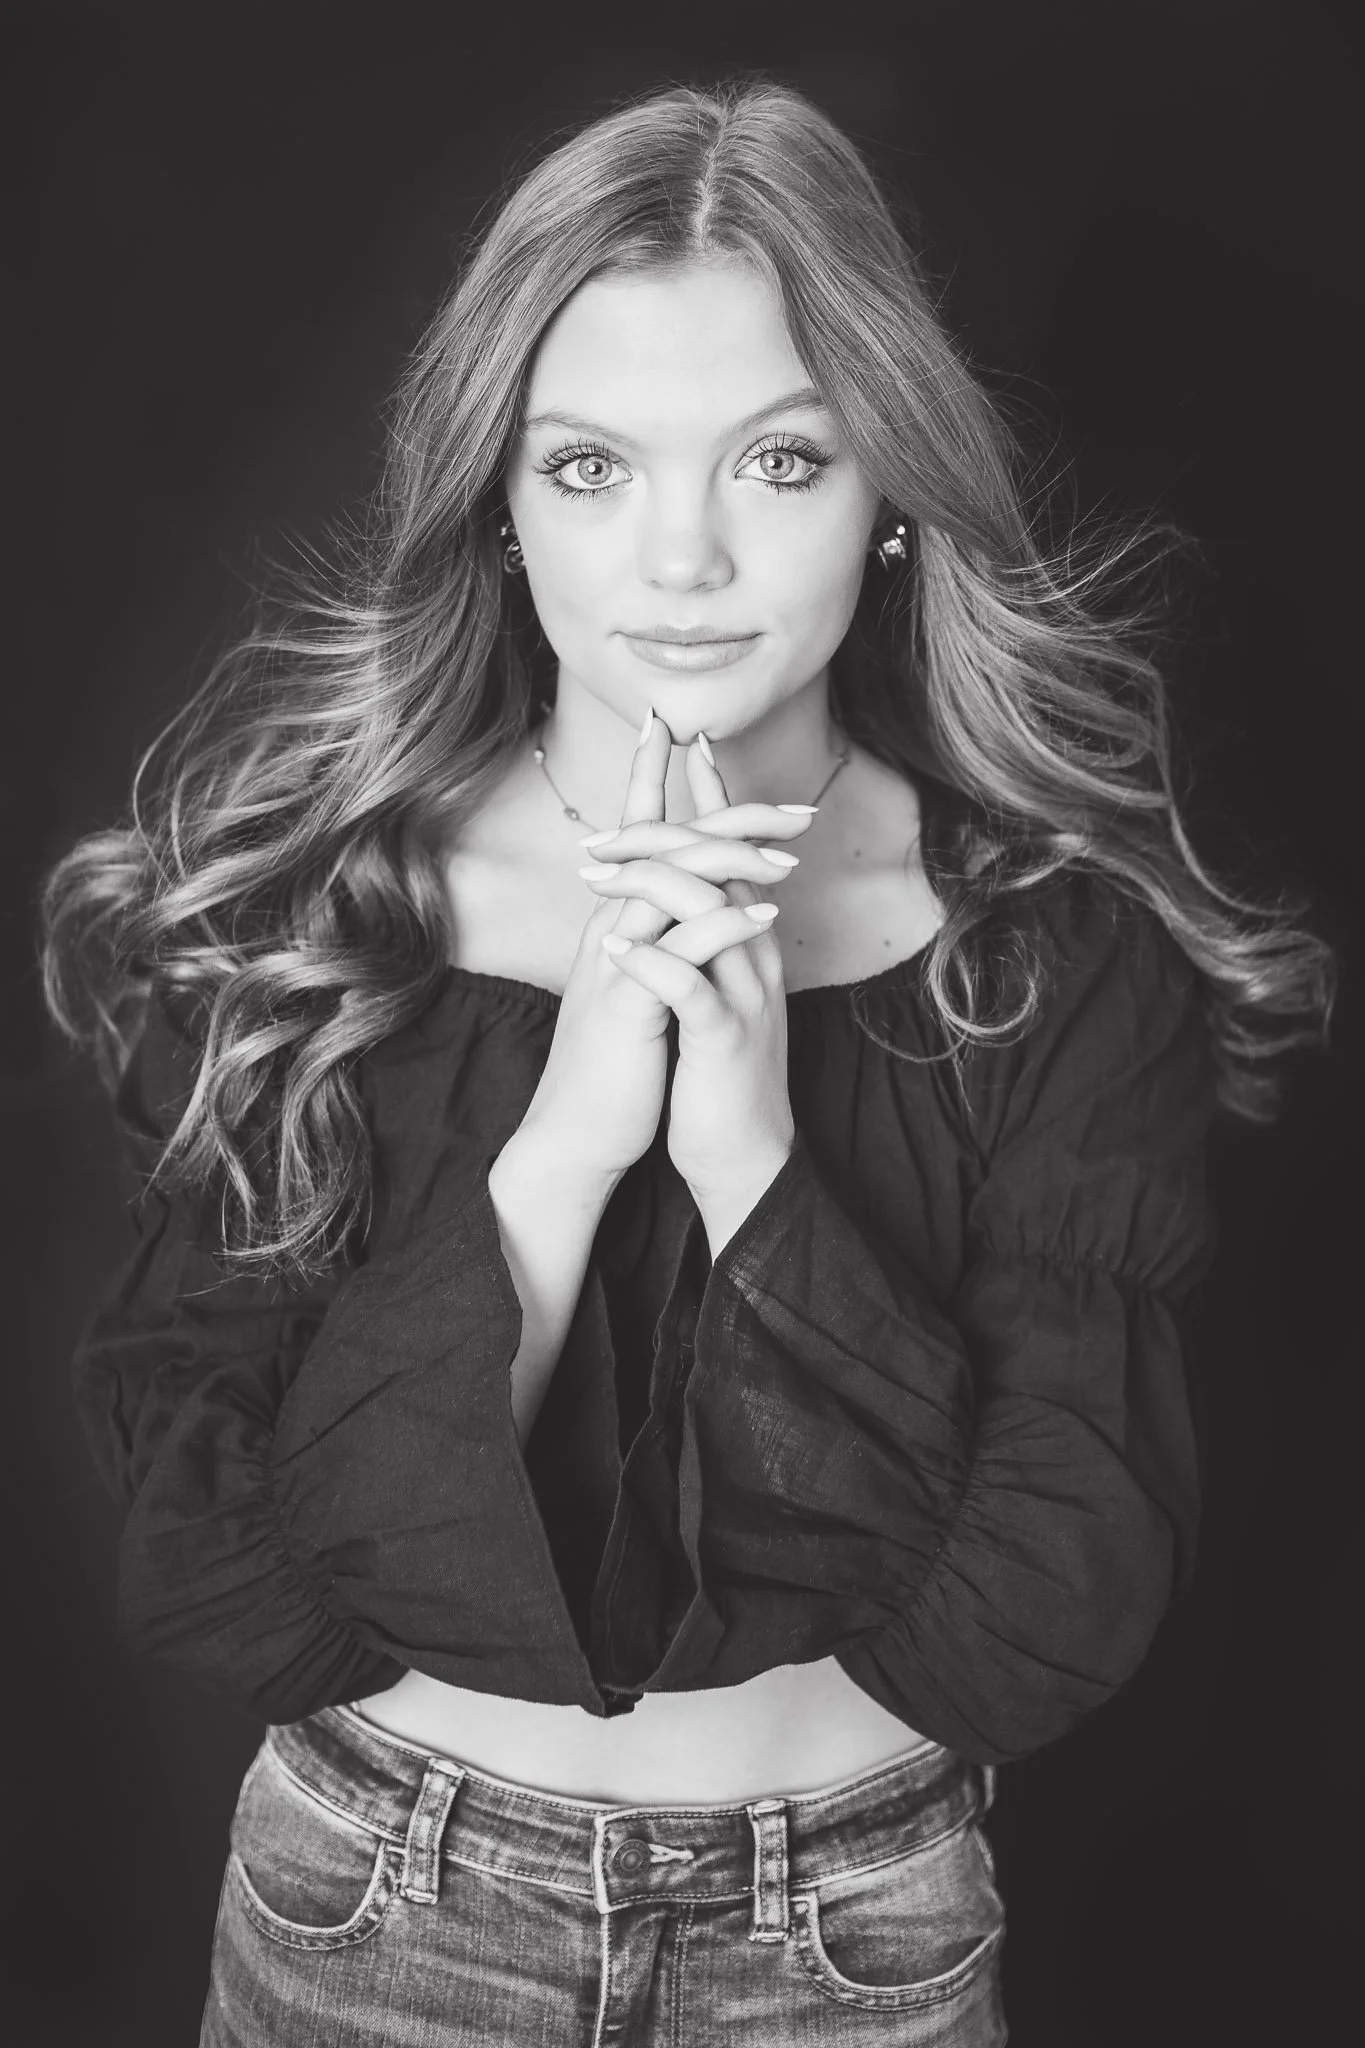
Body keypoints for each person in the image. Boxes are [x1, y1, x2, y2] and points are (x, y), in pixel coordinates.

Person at [41, 76, 1333, 2048]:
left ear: (892, 495)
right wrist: (561, 1154)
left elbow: (1029, 1621)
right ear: (496, 497)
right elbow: (231, 1577)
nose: (681, 560)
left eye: (780, 461)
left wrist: (748, 1158)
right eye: (589, 466)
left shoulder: (1054, 952)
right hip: (376, 1911)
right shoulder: (319, 910)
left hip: (853, 1937)